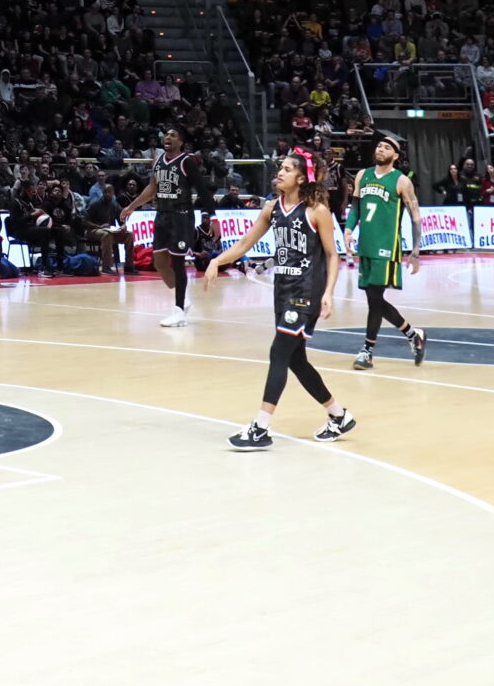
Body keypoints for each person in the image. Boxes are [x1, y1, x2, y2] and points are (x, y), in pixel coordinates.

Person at [210, 157, 356, 447]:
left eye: (287, 169)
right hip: (283, 290)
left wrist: (328, 292)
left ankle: (261, 427)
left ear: (301, 178)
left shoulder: (317, 210)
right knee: (296, 360)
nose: (280, 172)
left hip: (307, 290)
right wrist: (217, 260)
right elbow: (245, 243)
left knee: (278, 352)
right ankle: (338, 415)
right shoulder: (272, 208)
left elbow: (332, 255)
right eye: (280, 168)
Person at [344, 135, 427, 370]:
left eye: (387, 147)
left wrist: (416, 251)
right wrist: (348, 230)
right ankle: (413, 335)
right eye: (379, 146)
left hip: (387, 247)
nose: (380, 149)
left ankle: (367, 351)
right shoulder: (362, 175)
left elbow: (416, 216)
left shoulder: (401, 181)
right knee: (374, 299)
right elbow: (355, 207)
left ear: (396, 155)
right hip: (366, 245)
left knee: (374, 299)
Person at [113, 126, 205, 327]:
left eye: (173, 135)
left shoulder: (187, 161)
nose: (168, 137)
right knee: (160, 263)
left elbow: (202, 189)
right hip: (162, 215)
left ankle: (178, 311)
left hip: (181, 216)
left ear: (181, 142)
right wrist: (131, 207)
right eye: (167, 135)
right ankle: (183, 300)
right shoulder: (157, 161)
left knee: (178, 263)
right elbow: (151, 188)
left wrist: (211, 216)